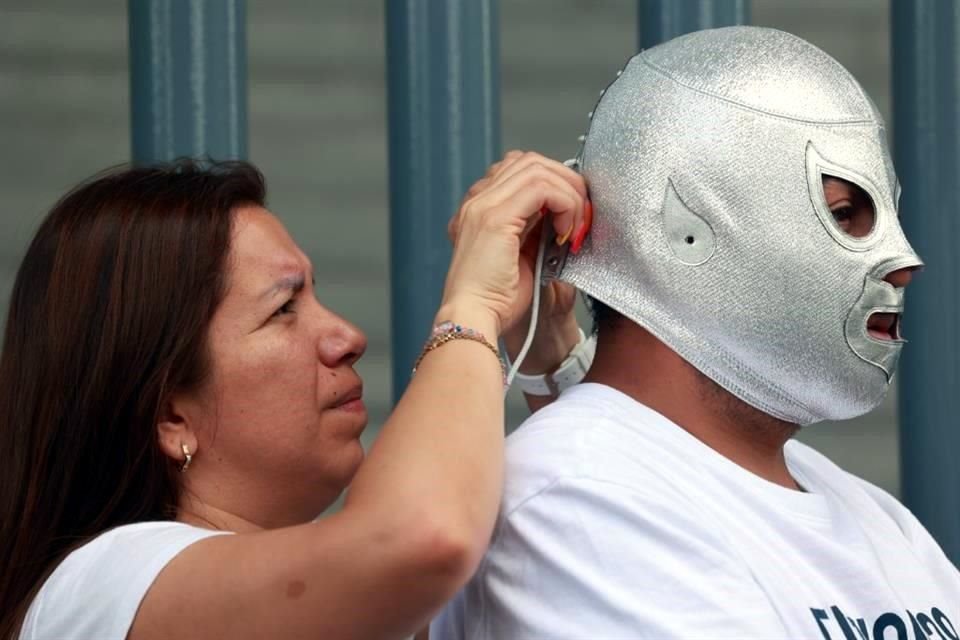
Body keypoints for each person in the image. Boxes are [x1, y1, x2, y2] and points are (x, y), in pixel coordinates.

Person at [432, 26, 960, 639]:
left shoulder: (870, 514)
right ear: (684, 229)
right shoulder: (582, 498)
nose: (904, 261)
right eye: (844, 213)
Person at [0, 153, 590, 639]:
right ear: (171, 414)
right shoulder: (102, 588)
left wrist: (549, 353)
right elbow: (420, 537)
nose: (348, 338)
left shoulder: (332, 600)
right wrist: (472, 307)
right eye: (283, 309)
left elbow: (595, 544)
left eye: (314, 297)